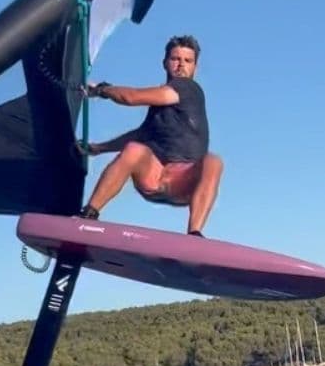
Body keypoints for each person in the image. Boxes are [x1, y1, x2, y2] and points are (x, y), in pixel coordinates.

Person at [78, 34, 223, 235]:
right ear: (165, 63)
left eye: (188, 61)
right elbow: (140, 135)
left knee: (213, 162)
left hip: (182, 182)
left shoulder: (188, 88)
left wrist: (102, 90)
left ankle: (194, 234)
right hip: (153, 179)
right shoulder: (160, 107)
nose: (181, 65)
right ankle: (88, 214)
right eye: (175, 59)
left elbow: (132, 97)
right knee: (134, 149)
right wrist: (98, 148)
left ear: (195, 68)